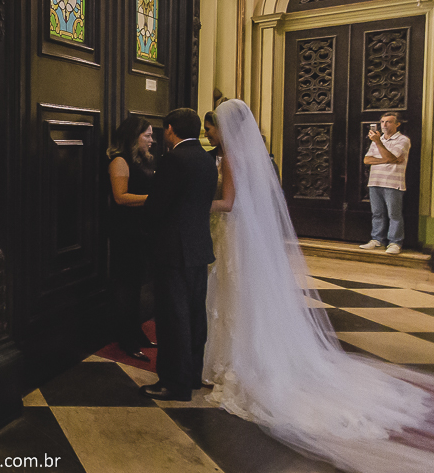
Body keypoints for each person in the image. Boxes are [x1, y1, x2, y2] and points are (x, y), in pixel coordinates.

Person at [205, 99, 434, 473]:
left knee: (233, 293)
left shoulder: (231, 159)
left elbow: (228, 202)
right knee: (247, 295)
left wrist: (200, 203)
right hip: (247, 235)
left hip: (233, 232)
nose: (209, 132)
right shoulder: (253, 156)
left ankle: (232, 358)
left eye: (213, 125)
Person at [139, 108, 217, 402]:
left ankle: (174, 383)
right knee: (195, 316)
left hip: (172, 250)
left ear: (170, 129)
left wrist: (147, 230)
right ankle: (192, 376)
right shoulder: (207, 160)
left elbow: (158, 206)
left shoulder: (174, 159)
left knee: (173, 320)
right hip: (198, 248)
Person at [107, 116, 156, 361]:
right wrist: (155, 198)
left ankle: (136, 331)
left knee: (138, 284)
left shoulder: (146, 160)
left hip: (143, 230)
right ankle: (126, 338)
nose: (151, 140)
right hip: (125, 231)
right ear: (133, 136)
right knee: (125, 286)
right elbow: (120, 197)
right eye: (147, 135)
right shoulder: (119, 161)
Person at [360, 112, 411, 255]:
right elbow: (367, 160)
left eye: (388, 122)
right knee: (377, 213)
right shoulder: (379, 139)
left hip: (393, 182)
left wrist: (378, 143)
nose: (384, 125)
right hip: (375, 181)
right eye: (382, 122)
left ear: (397, 124)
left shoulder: (402, 140)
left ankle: (395, 242)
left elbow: (390, 156)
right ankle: (377, 240)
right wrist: (386, 159)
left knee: (394, 214)